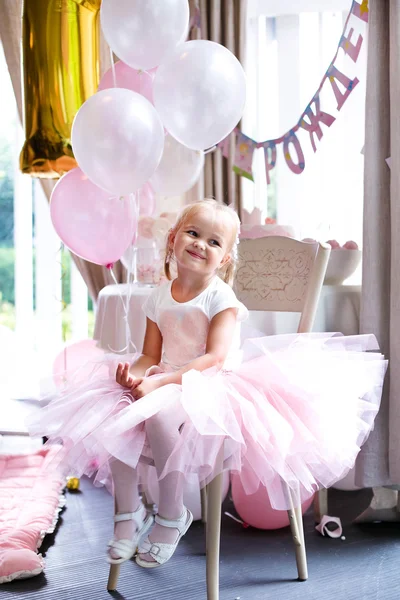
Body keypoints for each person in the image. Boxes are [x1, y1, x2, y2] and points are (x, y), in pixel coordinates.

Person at [28, 199, 387, 572]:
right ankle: (127, 511)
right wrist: (135, 375)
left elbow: (214, 358)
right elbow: (150, 355)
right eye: (193, 233)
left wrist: (164, 381)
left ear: (225, 258)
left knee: (161, 417)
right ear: (173, 239)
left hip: (209, 385)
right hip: (166, 376)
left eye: (214, 242)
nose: (201, 244)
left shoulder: (221, 297)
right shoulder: (160, 294)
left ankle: (171, 514)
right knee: (115, 416)